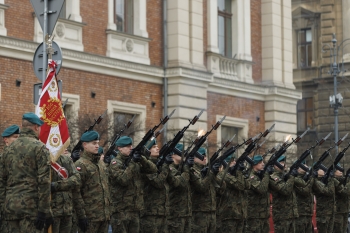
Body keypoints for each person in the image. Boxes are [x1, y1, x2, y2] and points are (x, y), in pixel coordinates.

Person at [0, 113, 51, 232]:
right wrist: (44, 211)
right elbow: (44, 182)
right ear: (36, 127)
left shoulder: (8, 150)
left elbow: (2, 182)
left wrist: (3, 208)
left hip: (10, 209)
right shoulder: (39, 148)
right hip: (31, 210)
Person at [108, 136, 157, 233]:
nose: (131, 148)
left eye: (131, 146)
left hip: (135, 209)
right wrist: (133, 162)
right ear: (119, 148)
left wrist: (142, 158)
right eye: (127, 146)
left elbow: (153, 170)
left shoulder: (134, 161)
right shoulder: (115, 163)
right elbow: (123, 180)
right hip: (120, 211)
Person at [74, 130, 110, 233]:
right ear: (85, 145)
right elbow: (77, 192)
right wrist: (81, 216)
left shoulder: (101, 164)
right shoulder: (80, 164)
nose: (97, 146)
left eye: (98, 143)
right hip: (90, 217)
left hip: (104, 216)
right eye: (94, 143)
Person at [141, 139, 173, 233]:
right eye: (154, 147)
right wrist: (166, 166)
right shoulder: (146, 166)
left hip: (163, 212)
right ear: (147, 150)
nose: (157, 148)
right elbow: (158, 182)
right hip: (150, 213)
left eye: (157, 146)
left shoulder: (160, 164)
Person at [190, 147, 223, 233]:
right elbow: (201, 187)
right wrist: (211, 173)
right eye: (202, 156)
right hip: (199, 213)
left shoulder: (208, 171)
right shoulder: (193, 170)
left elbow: (222, 188)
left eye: (205, 156)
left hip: (212, 212)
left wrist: (215, 174)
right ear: (194, 158)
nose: (205, 158)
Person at [49, 152, 81, 233]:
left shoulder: (66, 160)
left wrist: (56, 186)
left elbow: (76, 179)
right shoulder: (43, 160)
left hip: (67, 210)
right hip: (51, 211)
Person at [216, 155, 249, 233]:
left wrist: (240, 173)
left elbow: (247, 185)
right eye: (232, 161)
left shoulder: (235, 175)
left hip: (240, 214)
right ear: (226, 163)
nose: (235, 162)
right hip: (229, 215)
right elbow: (240, 186)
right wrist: (238, 172)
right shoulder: (223, 175)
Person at [167, 144, 192, 233]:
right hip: (175, 214)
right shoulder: (170, 168)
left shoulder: (181, 168)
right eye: (181, 153)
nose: (184, 155)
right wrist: (186, 168)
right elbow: (180, 183)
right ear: (173, 154)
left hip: (186, 214)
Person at [269, 155, 298, 233]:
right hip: (282, 216)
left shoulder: (285, 176)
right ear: (275, 165)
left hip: (291, 215)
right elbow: (286, 191)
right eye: (281, 162)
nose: (284, 164)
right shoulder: (273, 177)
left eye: (284, 162)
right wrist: (291, 177)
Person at [245, 155, 270, 233]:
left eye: (262, 162)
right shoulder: (251, 176)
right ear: (254, 165)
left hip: (263, 215)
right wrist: (266, 175)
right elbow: (262, 189)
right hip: (254, 216)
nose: (263, 164)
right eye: (260, 162)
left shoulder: (258, 175)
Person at [313, 168, 336, 233]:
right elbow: (330, 192)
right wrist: (331, 179)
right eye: (321, 169)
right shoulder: (316, 181)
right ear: (317, 171)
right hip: (323, 214)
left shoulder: (324, 180)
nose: (323, 170)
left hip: (330, 212)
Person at [294, 161, 314, 233]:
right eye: (303, 164)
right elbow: (305, 191)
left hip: (308, 213)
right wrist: (312, 178)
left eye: (306, 164)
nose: (306, 166)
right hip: (300, 214)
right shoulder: (295, 179)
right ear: (297, 169)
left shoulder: (307, 178)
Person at [333, 165, 350, 233]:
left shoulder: (343, 179)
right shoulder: (334, 181)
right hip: (338, 211)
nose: (341, 171)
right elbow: (345, 192)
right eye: (338, 170)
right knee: (338, 230)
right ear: (334, 172)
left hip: (345, 210)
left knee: (344, 230)